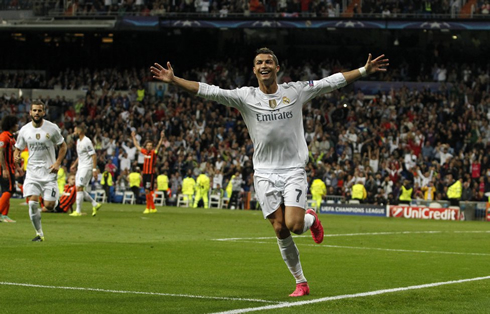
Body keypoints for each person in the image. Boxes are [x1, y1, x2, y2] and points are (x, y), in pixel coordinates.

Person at [150, 47, 388, 297]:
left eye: (268, 62)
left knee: (295, 225)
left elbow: (330, 82)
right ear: (254, 70)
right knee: (279, 229)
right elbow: (209, 91)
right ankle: (301, 282)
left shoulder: (295, 91)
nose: (264, 65)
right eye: (259, 63)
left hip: (293, 169)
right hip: (264, 173)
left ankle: (311, 219)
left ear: (277, 67)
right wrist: (174, 80)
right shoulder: (245, 96)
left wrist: (363, 70)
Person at [13, 101, 67, 242]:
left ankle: (52, 203)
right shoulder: (24, 130)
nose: (37, 113)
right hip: (32, 173)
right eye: (34, 110)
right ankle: (39, 233)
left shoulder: (52, 128)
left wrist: (57, 162)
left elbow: (63, 146)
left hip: (49, 172)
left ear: (44, 112)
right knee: (32, 203)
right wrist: (16, 156)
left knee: (49, 205)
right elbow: (18, 148)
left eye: (39, 110)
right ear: (30, 112)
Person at [69, 124, 101, 217]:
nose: (74, 133)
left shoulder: (87, 141)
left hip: (87, 167)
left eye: (75, 131)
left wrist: (94, 169)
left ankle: (78, 211)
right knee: (78, 188)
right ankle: (95, 204)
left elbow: (94, 155)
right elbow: (80, 155)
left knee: (79, 187)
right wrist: (74, 164)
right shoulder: (78, 141)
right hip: (80, 167)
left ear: (80, 131)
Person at [132, 130, 164, 214]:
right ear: (146, 146)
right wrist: (133, 137)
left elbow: (159, 145)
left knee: (147, 191)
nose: (149, 147)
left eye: (150, 145)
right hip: (145, 174)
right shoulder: (144, 152)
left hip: (150, 174)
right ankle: (153, 207)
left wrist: (161, 137)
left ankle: (147, 208)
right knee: (147, 191)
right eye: (148, 145)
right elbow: (137, 146)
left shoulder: (154, 152)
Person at [0, 115, 19, 223]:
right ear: (11, 125)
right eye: (15, 124)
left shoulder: (11, 137)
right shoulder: (4, 136)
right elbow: (1, 153)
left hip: (10, 167)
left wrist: (17, 167)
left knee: (6, 191)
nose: (17, 125)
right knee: (9, 190)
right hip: (5, 168)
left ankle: (3, 215)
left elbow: (12, 154)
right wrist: (4, 169)